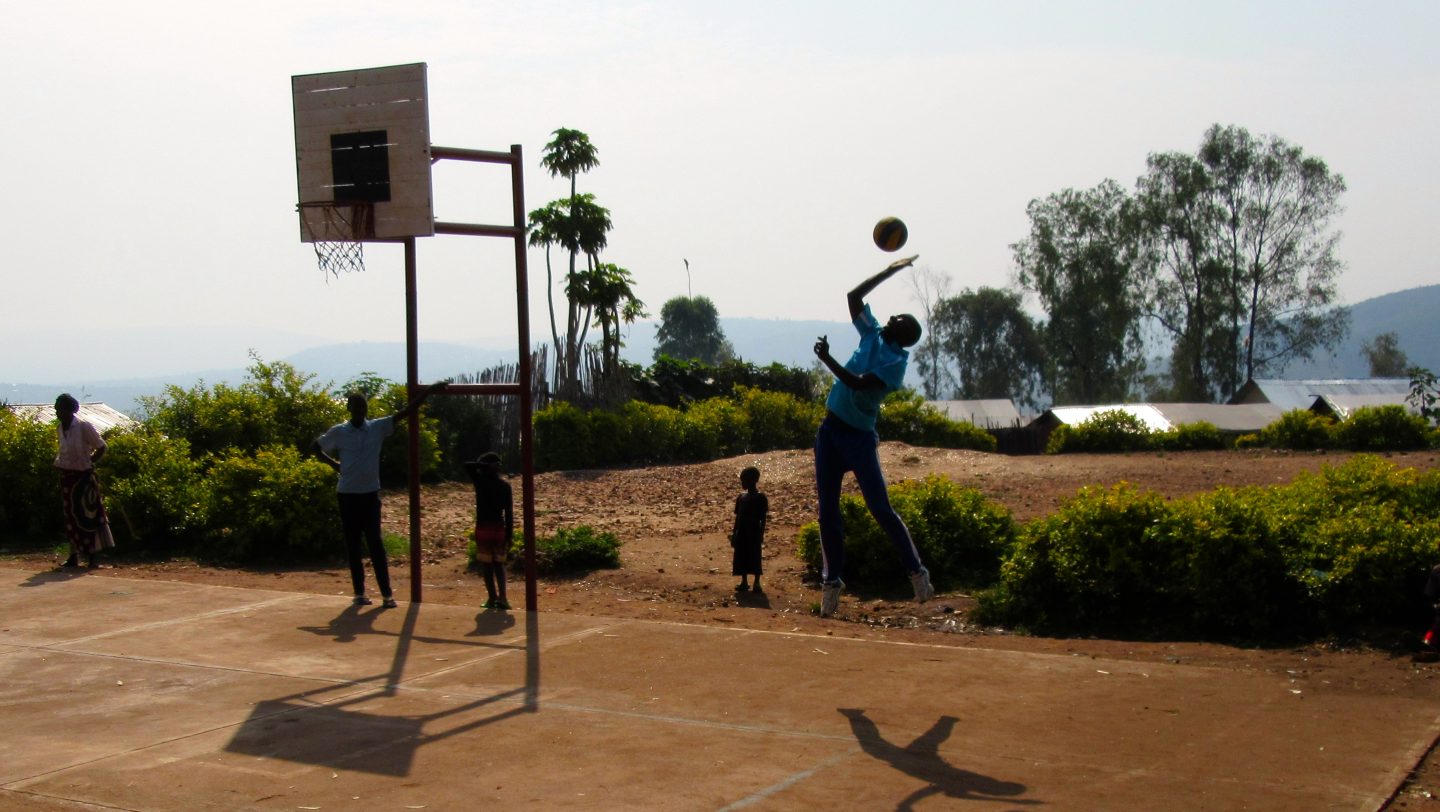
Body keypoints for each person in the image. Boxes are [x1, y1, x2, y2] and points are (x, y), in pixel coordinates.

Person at [811, 254, 934, 618]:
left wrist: (827, 359)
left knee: (880, 508)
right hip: (830, 431)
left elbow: (858, 382)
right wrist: (888, 271)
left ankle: (917, 572)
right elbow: (853, 297)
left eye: (899, 319)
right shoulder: (873, 332)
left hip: (858, 438)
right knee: (826, 512)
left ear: (904, 335)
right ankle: (832, 582)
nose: (892, 317)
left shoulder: (896, 364)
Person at [312, 383, 446, 608]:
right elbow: (315, 447)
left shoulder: (376, 428)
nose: (360, 410)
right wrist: (334, 464)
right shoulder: (339, 432)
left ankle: (387, 594)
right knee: (353, 545)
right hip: (347, 494)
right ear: (349, 408)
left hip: (369, 494)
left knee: (375, 544)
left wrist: (429, 392)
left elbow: (406, 412)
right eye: (356, 406)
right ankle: (359, 593)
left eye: (363, 406)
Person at [53, 393, 115, 568]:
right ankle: (74, 555)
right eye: (57, 409)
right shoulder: (60, 428)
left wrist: (90, 463)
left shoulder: (83, 427)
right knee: (71, 518)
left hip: (84, 479)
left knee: (88, 517)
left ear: (71, 410)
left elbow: (101, 447)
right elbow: (63, 452)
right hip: (67, 479)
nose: (58, 412)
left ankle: (92, 556)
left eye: (61, 409)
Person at [464, 452, 513, 610]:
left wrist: (483, 465)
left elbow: (468, 465)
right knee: (499, 564)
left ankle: (492, 598)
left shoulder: (480, 481)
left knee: (487, 565)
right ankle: (503, 598)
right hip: (499, 527)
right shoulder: (505, 486)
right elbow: (509, 513)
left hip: (483, 527)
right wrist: (509, 535)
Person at [730, 465, 768, 594]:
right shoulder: (741, 497)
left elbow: (763, 518)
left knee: (755, 556)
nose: (742, 483)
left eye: (744, 480)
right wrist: (734, 533)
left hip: (754, 531)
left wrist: (761, 534)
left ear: (753, 481)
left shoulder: (761, 497)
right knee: (741, 556)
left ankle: (756, 582)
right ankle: (744, 581)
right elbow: (738, 517)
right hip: (742, 531)